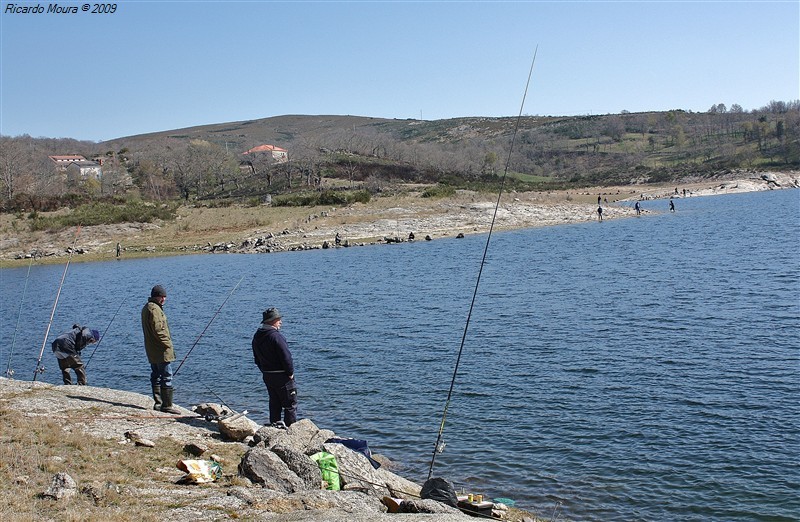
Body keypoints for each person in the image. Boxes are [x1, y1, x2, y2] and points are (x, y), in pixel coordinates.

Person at [252, 307, 297, 427]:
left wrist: (264, 370)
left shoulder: (257, 336)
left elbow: (257, 359)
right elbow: (286, 357)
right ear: (272, 321)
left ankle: (274, 428)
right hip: (282, 376)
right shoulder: (276, 337)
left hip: (267, 375)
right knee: (290, 405)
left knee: (274, 403)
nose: (280, 322)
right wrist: (290, 373)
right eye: (278, 319)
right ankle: (291, 432)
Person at [141, 284, 180, 414]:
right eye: (161, 297)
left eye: (164, 297)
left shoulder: (147, 308)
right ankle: (166, 405)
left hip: (152, 349)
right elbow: (159, 330)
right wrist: (168, 344)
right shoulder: (155, 310)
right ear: (156, 297)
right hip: (160, 350)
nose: (164, 299)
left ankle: (158, 403)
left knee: (156, 376)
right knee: (166, 376)